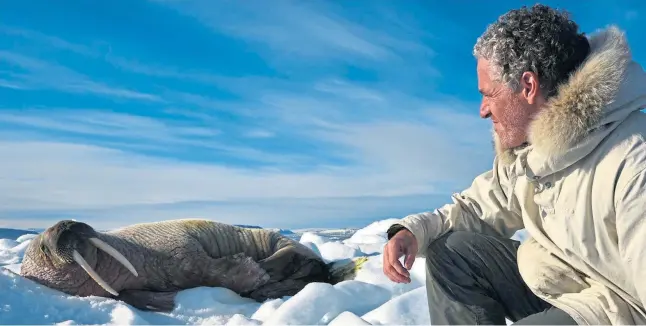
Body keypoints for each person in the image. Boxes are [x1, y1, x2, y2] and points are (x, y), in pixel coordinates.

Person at [382, 4, 646, 325]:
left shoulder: (632, 159)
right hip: (556, 284)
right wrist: (412, 232)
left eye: (489, 94)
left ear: (528, 86)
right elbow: (477, 209)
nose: (482, 110)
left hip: (618, 309)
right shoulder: (529, 153)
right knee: (451, 252)